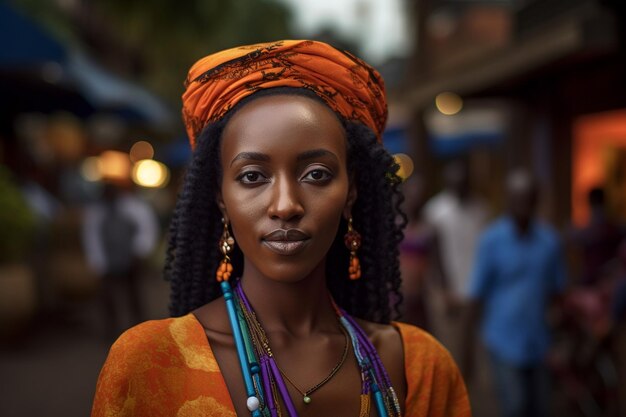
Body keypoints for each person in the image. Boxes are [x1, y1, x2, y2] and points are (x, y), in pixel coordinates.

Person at [91, 40, 470, 417]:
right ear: (221, 197)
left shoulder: (420, 368)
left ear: (350, 192)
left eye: (316, 174)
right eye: (253, 176)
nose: (286, 205)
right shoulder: (148, 367)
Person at [464, 169, 567, 417]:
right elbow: (477, 294)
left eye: (528, 199)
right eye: (517, 199)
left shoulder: (550, 242)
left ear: (535, 201)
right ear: (508, 201)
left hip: (539, 341)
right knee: (515, 406)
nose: (522, 205)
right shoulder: (492, 240)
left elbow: (558, 294)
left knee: (540, 407)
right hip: (503, 340)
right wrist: (466, 350)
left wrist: (560, 339)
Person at [422, 160, 489, 363]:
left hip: (478, 291)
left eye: (463, 181)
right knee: (452, 350)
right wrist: (444, 290)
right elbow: (434, 255)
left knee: (478, 352)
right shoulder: (435, 211)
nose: (459, 185)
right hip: (448, 292)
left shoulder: (481, 210)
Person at [82, 181, 159, 339]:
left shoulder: (133, 207)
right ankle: (111, 330)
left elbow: (147, 228)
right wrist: (98, 263)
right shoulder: (96, 213)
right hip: (108, 261)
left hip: (131, 259)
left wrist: (139, 251)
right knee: (108, 298)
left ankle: (140, 329)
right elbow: (91, 238)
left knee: (134, 295)